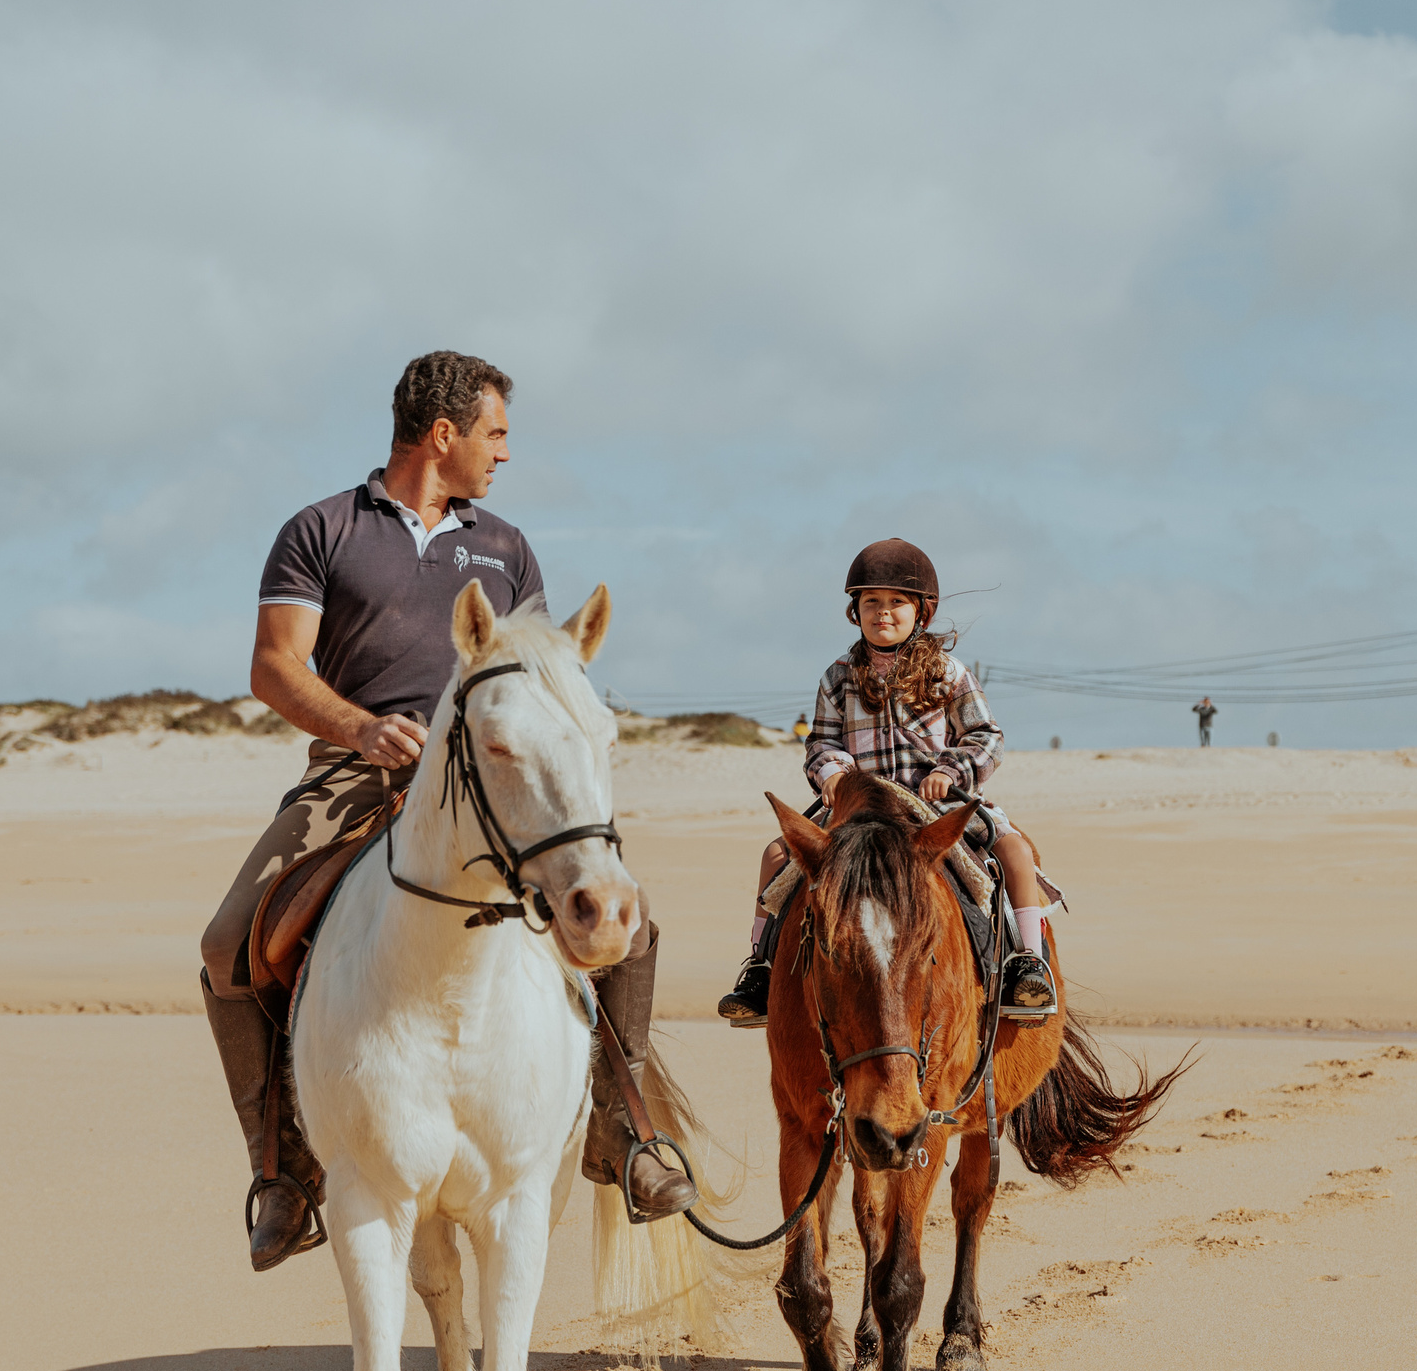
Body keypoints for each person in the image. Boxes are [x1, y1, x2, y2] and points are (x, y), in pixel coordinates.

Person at [198, 350, 696, 1273]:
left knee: (629, 920)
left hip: (494, 789)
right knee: (230, 944)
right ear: (444, 434)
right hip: (354, 780)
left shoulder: (506, 548)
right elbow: (274, 665)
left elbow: (546, 676)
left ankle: (625, 1131)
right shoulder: (321, 530)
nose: (504, 454)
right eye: (495, 434)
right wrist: (359, 728)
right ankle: (285, 1168)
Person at [717, 538, 1055, 1026]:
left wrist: (948, 770)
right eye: (871, 602)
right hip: (861, 807)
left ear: (922, 611)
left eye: (897, 602)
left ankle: (1025, 960)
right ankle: (761, 968)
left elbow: (986, 735)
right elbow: (821, 742)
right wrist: (833, 774)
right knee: (776, 856)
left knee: (1015, 850)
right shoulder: (837, 678)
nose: (883, 613)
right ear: (855, 612)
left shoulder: (949, 672)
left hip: (932, 804)